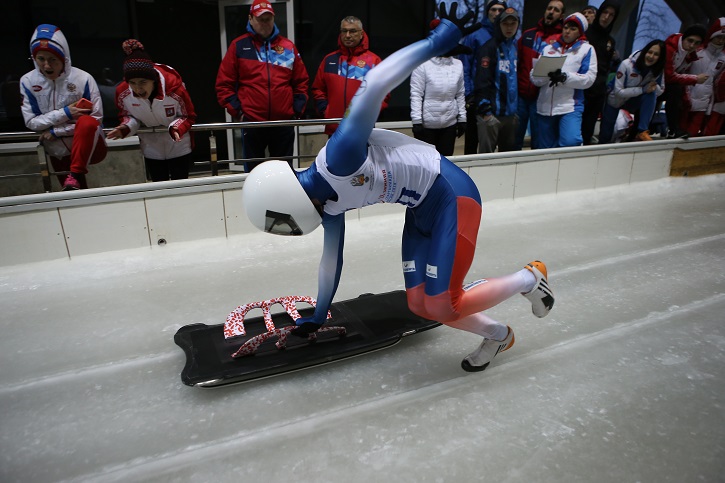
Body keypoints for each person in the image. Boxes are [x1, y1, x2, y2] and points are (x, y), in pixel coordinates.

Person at [240, 2, 555, 373]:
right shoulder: (328, 204)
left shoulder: (339, 157)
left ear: (284, 200)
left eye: (282, 222)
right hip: (421, 209)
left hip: (452, 196)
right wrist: (319, 315)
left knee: (441, 303)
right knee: (420, 304)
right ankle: (499, 335)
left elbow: (374, 84)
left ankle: (530, 278)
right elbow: (331, 261)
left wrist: (434, 43)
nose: (289, 229)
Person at [215, 0, 309, 171]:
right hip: (252, 122)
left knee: (283, 172)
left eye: (268, 19)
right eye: (260, 19)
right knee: (253, 173)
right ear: (250, 19)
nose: (265, 23)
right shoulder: (239, 46)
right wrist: (239, 112)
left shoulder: (287, 47)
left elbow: (301, 82)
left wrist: (296, 110)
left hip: (283, 123)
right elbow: (224, 84)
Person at [20, 24, 107, 191]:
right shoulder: (28, 81)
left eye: (53, 59)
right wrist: (66, 112)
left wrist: (57, 131)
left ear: (64, 58)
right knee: (73, 195)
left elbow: (95, 120)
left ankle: (75, 174)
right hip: (56, 149)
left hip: (89, 145)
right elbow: (32, 122)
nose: (47, 66)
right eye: (40, 59)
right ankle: (75, 181)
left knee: (87, 122)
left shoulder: (83, 79)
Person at [106, 40, 197, 181]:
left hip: (178, 145)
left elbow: (188, 116)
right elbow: (128, 116)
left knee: (181, 187)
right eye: (132, 83)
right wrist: (125, 128)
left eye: (143, 82)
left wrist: (176, 128)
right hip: (151, 148)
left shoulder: (175, 89)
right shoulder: (123, 93)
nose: (138, 88)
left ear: (153, 79)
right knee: (158, 188)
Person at [311, 16, 388, 137]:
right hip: (335, 127)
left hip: (362, 128)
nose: (347, 35)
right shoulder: (329, 60)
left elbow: (384, 92)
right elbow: (318, 88)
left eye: (352, 31)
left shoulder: (373, 61)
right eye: (344, 31)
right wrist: (325, 110)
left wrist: (370, 113)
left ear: (361, 34)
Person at [531, 13, 597, 148]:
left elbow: (589, 79)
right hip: (545, 106)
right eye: (566, 27)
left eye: (573, 29)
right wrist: (545, 75)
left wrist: (565, 77)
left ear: (580, 32)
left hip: (570, 106)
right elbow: (534, 77)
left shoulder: (586, 50)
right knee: (545, 149)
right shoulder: (548, 49)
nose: (567, 31)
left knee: (570, 142)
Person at [410, 19, 467, 156]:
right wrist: (416, 121)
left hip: (449, 124)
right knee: (427, 163)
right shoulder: (422, 63)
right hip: (427, 125)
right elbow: (416, 94)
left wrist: (462, 119)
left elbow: (460, 93)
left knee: (446, 161)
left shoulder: (458, 64)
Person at [515, 0, 565, 150]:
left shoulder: (561, 39)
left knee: (538, 141)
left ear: (561, 16)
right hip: (521, 96)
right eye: (549, 8)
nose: (551, 12)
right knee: (515, 138)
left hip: (542, 97)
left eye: (556, 10)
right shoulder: (528, 35)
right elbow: (517, 62)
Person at [460, 0, 508, 154]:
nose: (496, 13)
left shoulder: (507, 36)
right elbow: (465, 66)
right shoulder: (475, 35)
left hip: (499, 97)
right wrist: (469, 94)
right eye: (493, 9)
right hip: (476, 95)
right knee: (472, 140)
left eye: (500, 10)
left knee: (496, 140)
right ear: (487, 12)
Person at [598, 39, 666, 144]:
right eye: (649, 52)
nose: (651, 56)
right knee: (606, 136)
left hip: (634, 100)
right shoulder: (627, 64)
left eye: (656, 54)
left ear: (660, 58)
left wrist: (653, 87)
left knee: (651, 94)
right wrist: (643, 89)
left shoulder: (658, 69)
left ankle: (642, 131)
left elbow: (660, 90)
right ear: (644, 52)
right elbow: (619, 92)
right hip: (615, 99)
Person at [474, 7, 520, 153]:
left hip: (510, 115)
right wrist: (486, 112)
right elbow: (481, 80)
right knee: (486, 158)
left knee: (507, 159)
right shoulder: (488, 48)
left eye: (513, 23)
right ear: (499, 25)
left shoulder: (515, 48)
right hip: (491, 115)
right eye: (505, 23)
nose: (509, 27)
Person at [580, 1, 620, 145]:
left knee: (588, 131)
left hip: (598, 91)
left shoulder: (611, 41)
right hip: (581, 88)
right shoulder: (585, 34)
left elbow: (606, 66)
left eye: (611, 15)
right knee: (573, 131)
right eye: (605, 12)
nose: (606, 17)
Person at [661, 24, 709, 138]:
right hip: (651, 85)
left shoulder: (691, 55)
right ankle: (672, 129)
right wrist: (695, 79)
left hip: (663, 87)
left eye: (697, 43)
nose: (692, 45)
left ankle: (674, 130)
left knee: (678, 93)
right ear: (683, 37)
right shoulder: (670, 48)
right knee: (675, 90)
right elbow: (669, 77)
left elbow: (679, 77)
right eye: (690, 40)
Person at [684, 18, 725, 137]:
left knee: (692, 135)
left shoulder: (723, 58)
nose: (721, 40)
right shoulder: (697, 51)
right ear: (712, 36)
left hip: (704, 102)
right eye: (718, 37)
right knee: (680, 132)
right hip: (687, 98)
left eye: (724, 38)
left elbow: (717, 81)